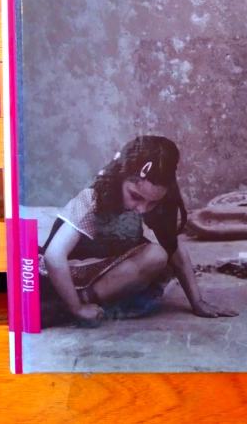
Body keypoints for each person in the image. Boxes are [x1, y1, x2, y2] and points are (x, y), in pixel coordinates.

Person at [40, 135, 236, 326]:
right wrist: (76, 307)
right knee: (155, 256)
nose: (142, 209)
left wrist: (197, 302)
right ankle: (65, 307)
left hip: (106, 270)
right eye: (135, 196)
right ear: (120, 177)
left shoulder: (154, 200)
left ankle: (78, 304)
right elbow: (54, 256)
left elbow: (174, 248)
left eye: (152, 203)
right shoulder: (94, 198)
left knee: (158, 255)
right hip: (66, 274)